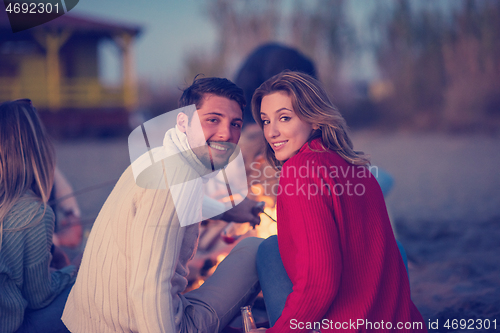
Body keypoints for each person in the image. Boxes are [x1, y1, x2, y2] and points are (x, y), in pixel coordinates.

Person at [62, 77, 263, 333]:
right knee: (258, 249)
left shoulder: (157, 159)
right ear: (183, 121)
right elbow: (150, 288)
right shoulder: (177, 178)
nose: (227, 133)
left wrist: (235, 209)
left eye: (235, 123)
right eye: (213, 119)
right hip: (142, 325)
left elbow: (178, 205)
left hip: (90, 322)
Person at [252, 71, 426, 332]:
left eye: (284, 118)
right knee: (275, 247)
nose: (272, 132)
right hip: (398, 323)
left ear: (315, 120)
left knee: (267, 251)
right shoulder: (356, 168)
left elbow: (319, 284)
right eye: (266, 121)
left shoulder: (300, 171)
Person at [0, 99, 77, 333]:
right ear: (38, 149)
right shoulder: (35, 212)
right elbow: (38, 297)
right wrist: (74, 269)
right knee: (93, 295)